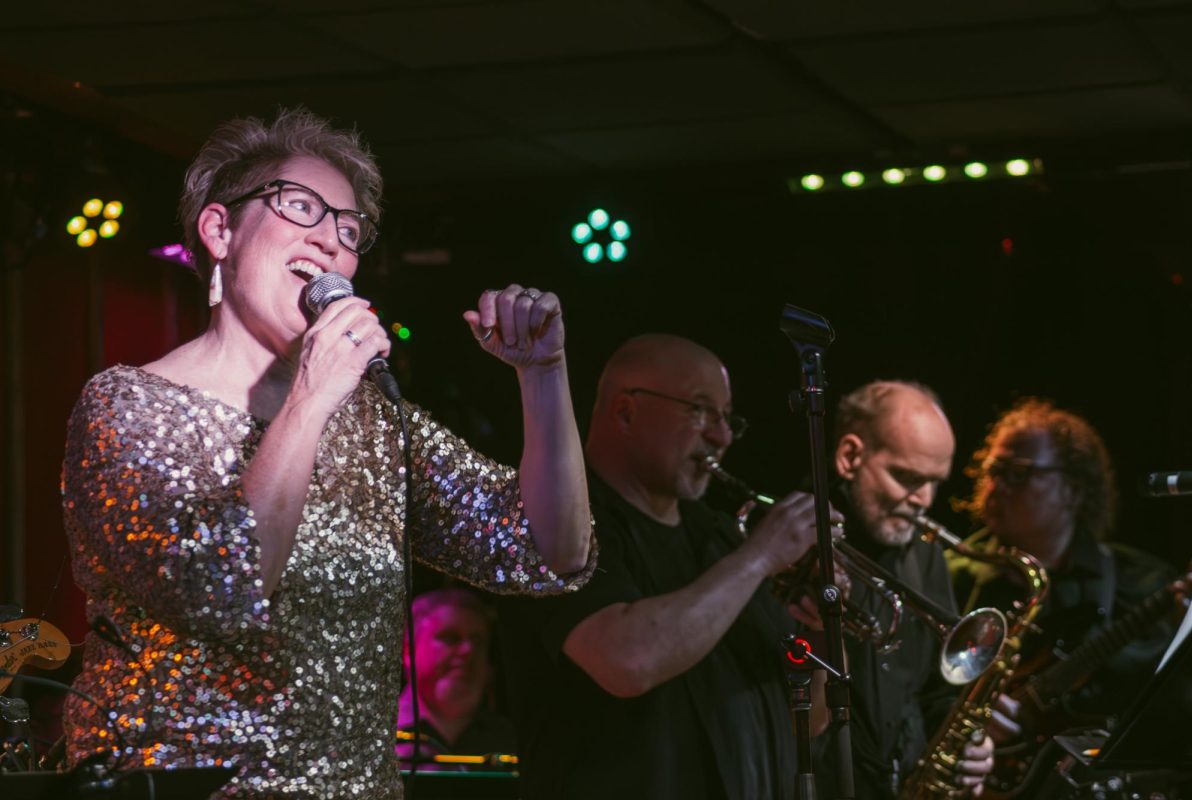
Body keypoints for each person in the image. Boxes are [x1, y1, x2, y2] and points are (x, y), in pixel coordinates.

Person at [60, 108, 594, 799]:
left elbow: (549, 553)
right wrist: (311, 396)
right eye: (300, 206)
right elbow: (224, 586)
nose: (332, 242)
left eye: (348, 228)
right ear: (220, 230)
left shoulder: (373, 419)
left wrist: (543, 377)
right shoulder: (126, 407)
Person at [497, 334, 830, 800]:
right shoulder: (553, 526)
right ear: (626, 411)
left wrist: (821, 629)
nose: (722, 435)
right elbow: (627, 662)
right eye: (700, 411)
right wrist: (760, 556)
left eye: (726, 417)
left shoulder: (719, 536)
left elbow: (810, 718)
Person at [950, 399, 1191, 751]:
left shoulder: (1143, 582)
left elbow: (1171, 710)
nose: (996, 486)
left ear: (1073, 489)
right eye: (993, 470)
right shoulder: (950, 574)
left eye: (1018, 472)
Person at [815, 380, 995, 799]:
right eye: (908, 477)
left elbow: (937, 690)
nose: (924, 500)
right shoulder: (795, 541)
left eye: (935, 482)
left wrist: (972, 746)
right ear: (850, 457)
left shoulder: (926, 558)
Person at [395, 588, 515, 769]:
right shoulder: (374, 735)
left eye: (478, 641)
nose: (468, 651)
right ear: (408, 651)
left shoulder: (515, 740)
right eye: (450, 638)